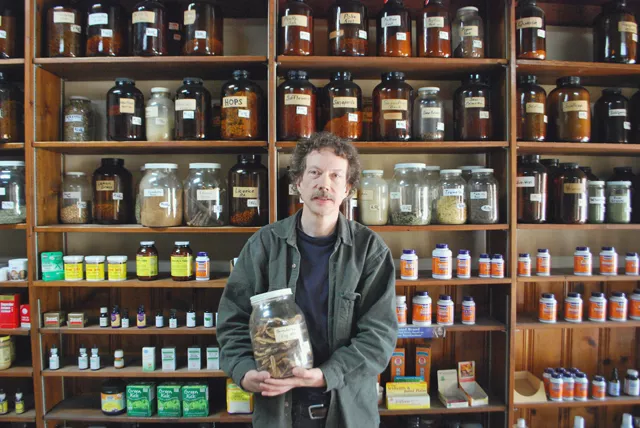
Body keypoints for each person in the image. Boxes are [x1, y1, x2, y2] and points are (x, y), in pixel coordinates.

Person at [218, 132, 397, 428]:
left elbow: (379, 337)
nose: (323, 184)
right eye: (314, 173)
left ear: (347, 188)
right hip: (279, 412)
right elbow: (233, 319)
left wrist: (327, 374)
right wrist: (244, 370)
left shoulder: (369, 251)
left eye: (335, 176)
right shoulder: (264, 244)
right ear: (298, 182)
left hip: (348, 410)